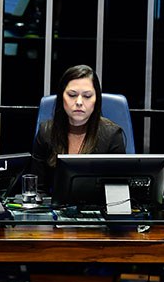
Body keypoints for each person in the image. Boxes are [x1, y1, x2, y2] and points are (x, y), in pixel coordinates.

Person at [31, 64, 126, 192]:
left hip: (97, 208)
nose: (79, 102)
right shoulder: (46, 131)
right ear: (61, 98)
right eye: (72, 95)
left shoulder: (112, 135)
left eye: (87, 96)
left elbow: (118, 192)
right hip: (55, 208)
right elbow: (37, 189)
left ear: (96, 99)